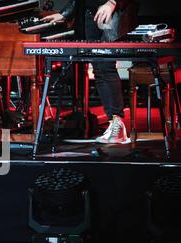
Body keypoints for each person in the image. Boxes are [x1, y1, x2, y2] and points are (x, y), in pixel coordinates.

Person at [42, 0, 140, 144]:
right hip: (90, 15)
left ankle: (117, 124)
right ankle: (113, 122)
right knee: (99, 69)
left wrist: (112, 3)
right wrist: (65, 13)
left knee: (106, 67)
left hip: (110, 12)